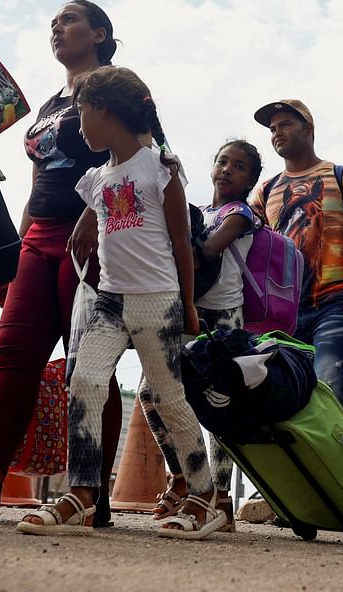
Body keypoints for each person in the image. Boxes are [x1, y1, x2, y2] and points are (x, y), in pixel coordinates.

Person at [0, 1, 125, 524]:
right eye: (54, 24)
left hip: (91, 238)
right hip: (36, 241)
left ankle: (92, 490)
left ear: (100, 33)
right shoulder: (48, 104)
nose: (57, 28)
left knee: (89, 367)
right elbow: (39, 182)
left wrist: (100, 217)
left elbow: (144, 158)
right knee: (12, 360)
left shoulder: (118, 88)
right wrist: (10, 251)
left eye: (69, 20)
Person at [17, 66, 222, 538]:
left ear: (104, 111)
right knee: (84, 380)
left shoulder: (160, 169)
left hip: (157, 301)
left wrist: (188, 305)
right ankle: (83, 494)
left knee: (169, 398)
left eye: (82, 112)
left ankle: (205, 495)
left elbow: (180, 242)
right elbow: (100, 209)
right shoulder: (97, 176)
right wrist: (85, 222)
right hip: (109, 299)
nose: (78, 124)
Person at [140, 139, 262, 529]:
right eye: (223, 161)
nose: (227, 169)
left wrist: (173, 241)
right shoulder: (200, 211)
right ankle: (181, 478)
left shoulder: (241, 213)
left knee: (219, 405)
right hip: (188, 312)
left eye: (238, 166)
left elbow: (207, 251)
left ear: (249, 180)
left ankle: (220, 497)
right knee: (150, 393)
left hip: (223, 320)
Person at [250, 99, 343, 424]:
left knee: (330, 387)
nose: (277, 133)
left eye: (286, 124)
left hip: (337, 303)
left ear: (308, 127)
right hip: (285, 313)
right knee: (287, 402)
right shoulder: (265, 192)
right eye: (272, 128)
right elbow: (247, 245)